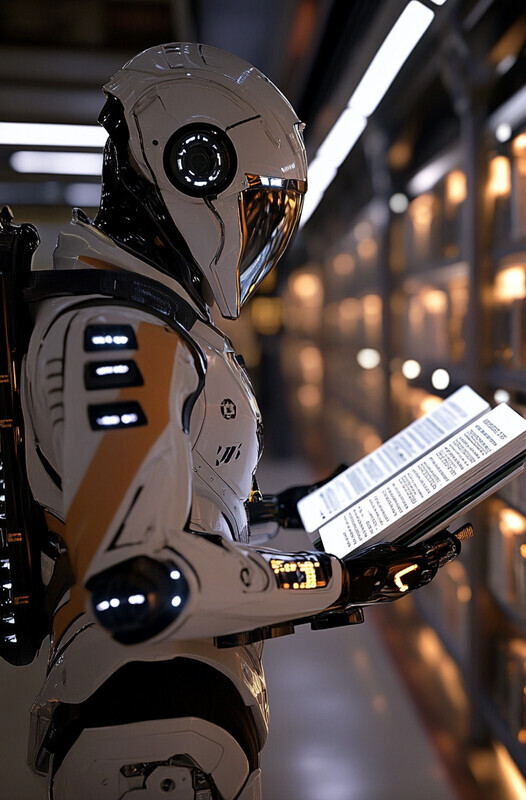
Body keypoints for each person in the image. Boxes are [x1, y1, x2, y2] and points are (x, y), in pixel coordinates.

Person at [18, 42, 465, 799]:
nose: (262, 235)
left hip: (166, 707)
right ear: (199, 169)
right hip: (154, 724)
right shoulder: (119, 334)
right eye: (257, 206)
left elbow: (163, 497)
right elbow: (137, 583)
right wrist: (337, 579)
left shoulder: (131, 319)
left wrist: (286, 511)